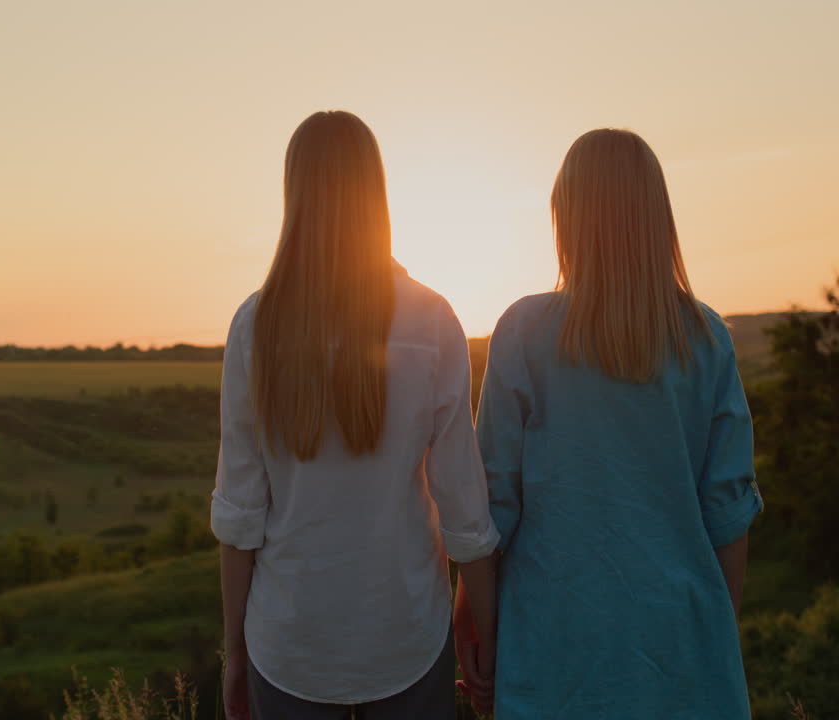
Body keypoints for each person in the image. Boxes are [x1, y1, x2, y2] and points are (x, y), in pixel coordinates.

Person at [455, 128, 762, 719]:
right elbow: (728, 517)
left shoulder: (524, 333)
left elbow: (491, 511)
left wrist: (473, 625)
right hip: (683, 659)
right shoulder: (707, 338)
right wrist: (712, 644)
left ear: (566, 218)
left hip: (554, 658)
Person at [210, 110, 500, 720]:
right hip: (407, 637)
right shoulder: (432, 320)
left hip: (288, 645)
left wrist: (234, 652)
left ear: (294, 194)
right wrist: (489, 640)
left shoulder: (255, 326)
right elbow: (465, 509)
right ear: (376, 191)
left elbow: (240, 515)